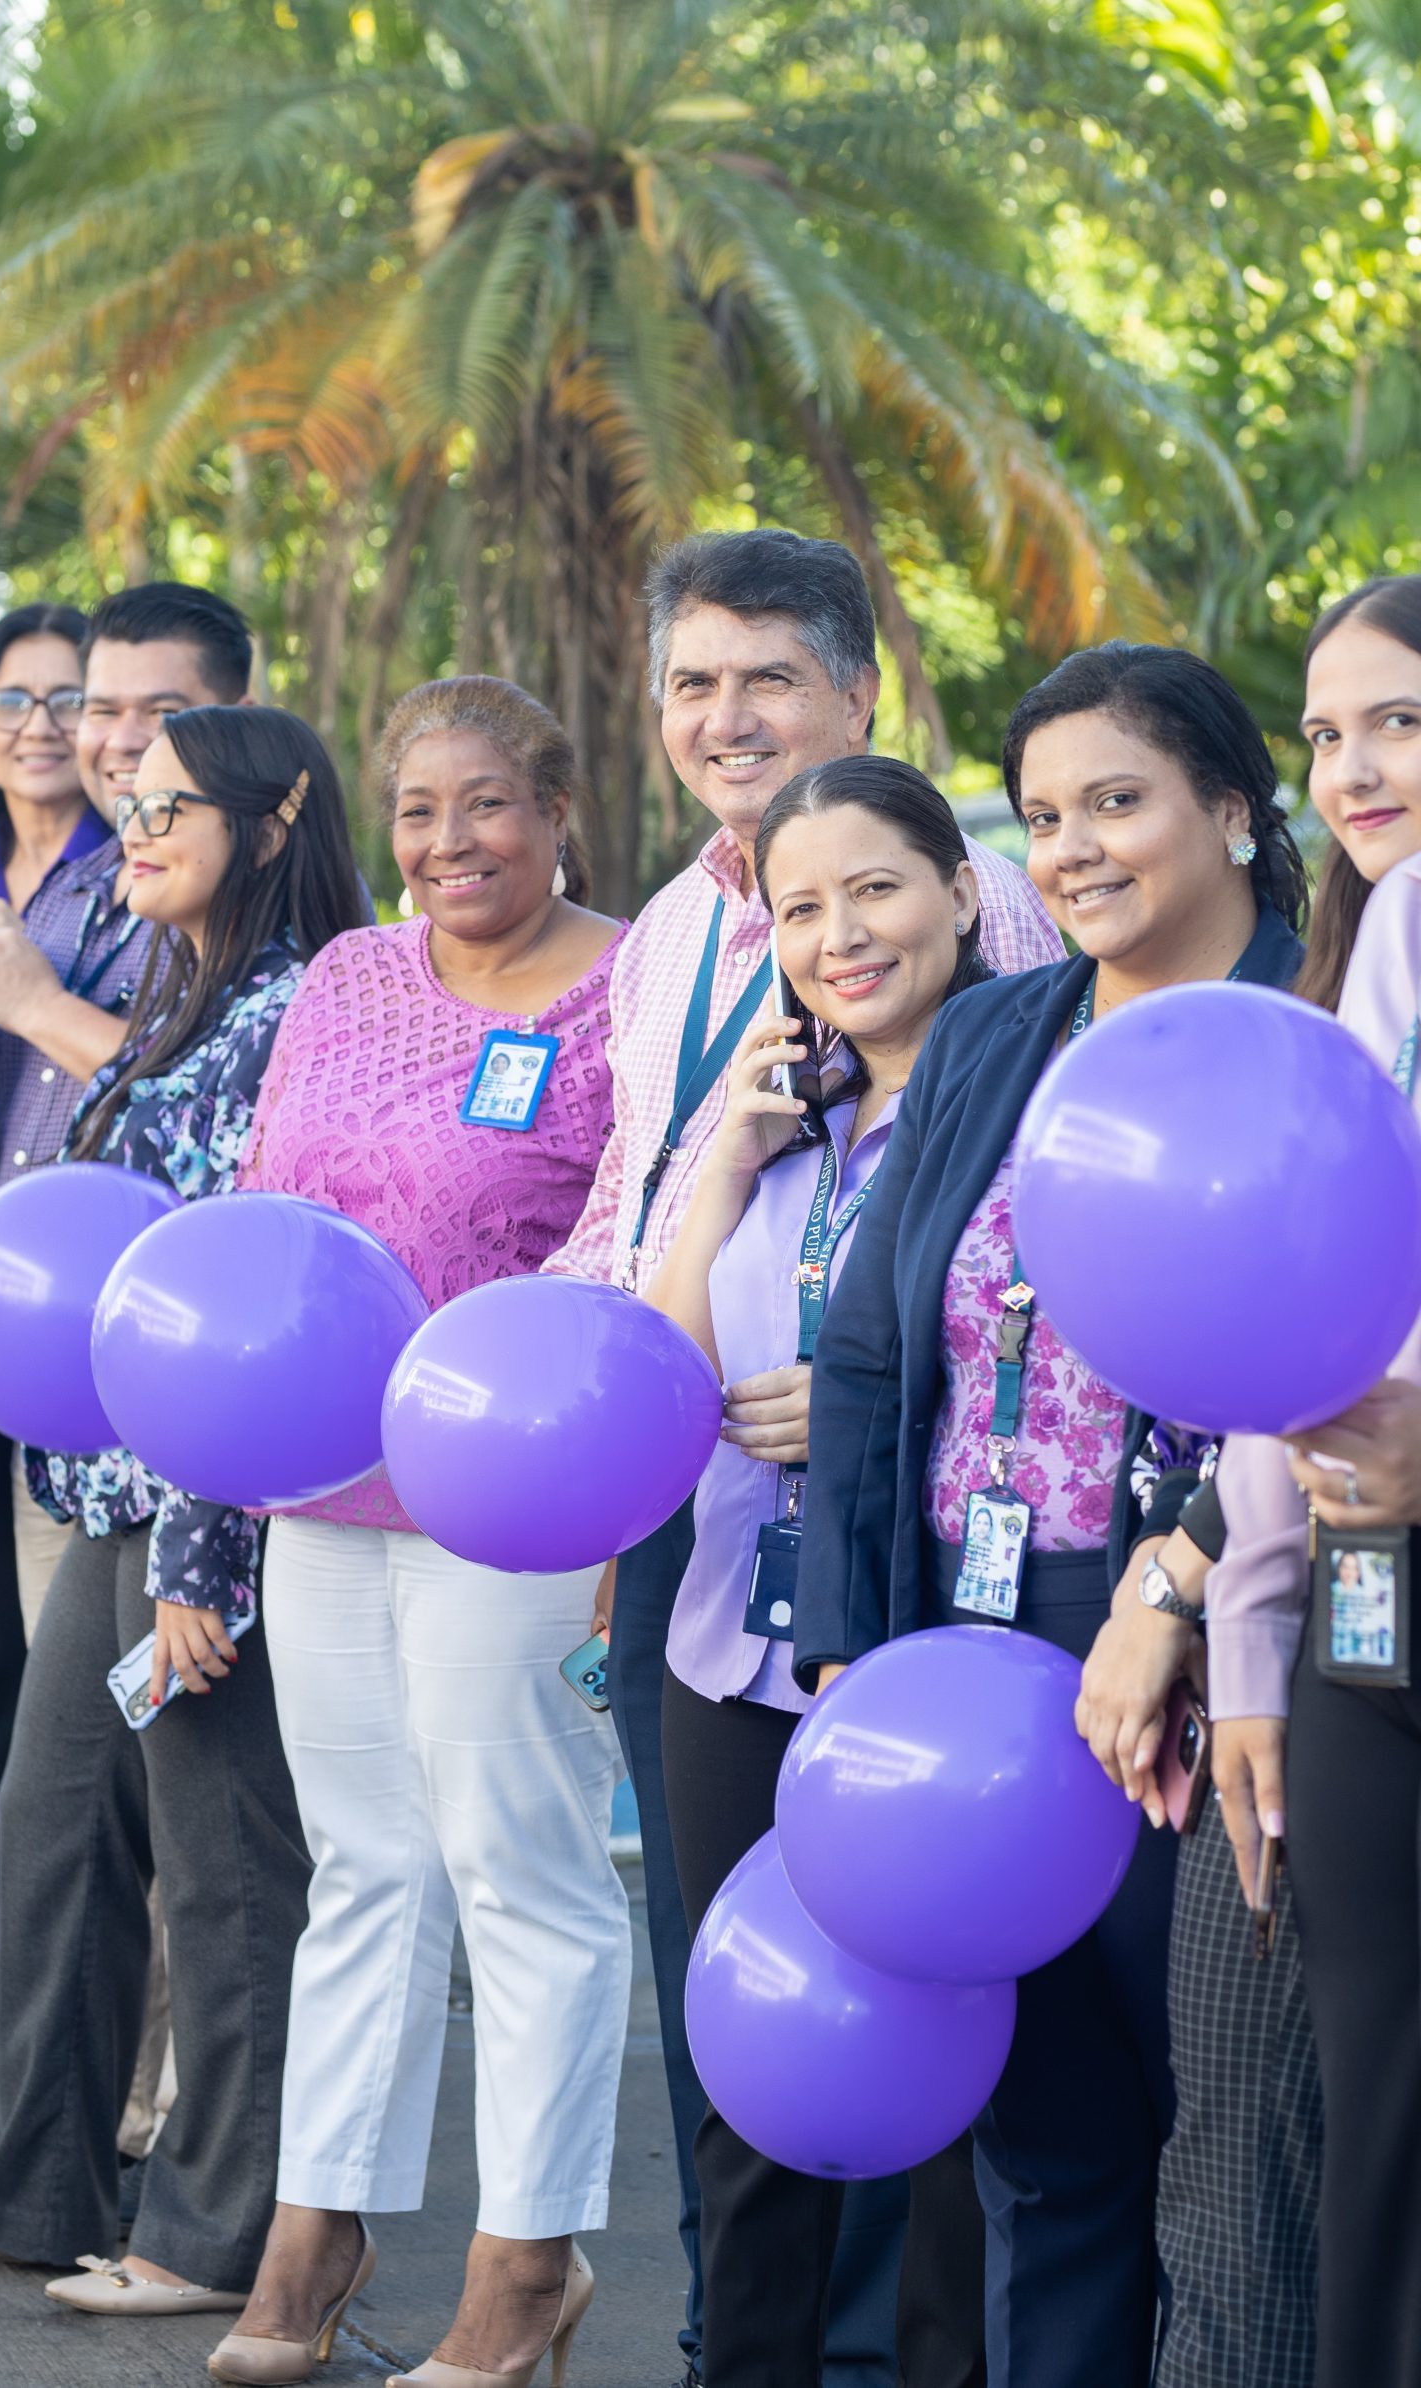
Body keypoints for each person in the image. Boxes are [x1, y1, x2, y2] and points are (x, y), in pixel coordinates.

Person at [546, 527, 1060, 2384]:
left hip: (924, 1593)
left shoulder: (1006, 966)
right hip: (708, 1566)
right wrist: (722, 1187)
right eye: (694, 680)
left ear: (860, 687)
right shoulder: (691, 931)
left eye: (769, 676)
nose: (725, 713)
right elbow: (635, 1231)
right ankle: (734, 2347)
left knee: (920, 2021)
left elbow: (1021, 1295)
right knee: (732, 2014)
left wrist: (857, 1394)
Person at [797, 644, 1308, 2388]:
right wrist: (862, 1647)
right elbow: (872, 1345)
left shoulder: (1316, 1027)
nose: (1077, 847)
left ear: (1230, 809)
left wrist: (1173, 1581)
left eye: (1120, 800)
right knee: (1044, 2145)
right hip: (974, 1639)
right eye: (1045, 817)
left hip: (1202, 1633)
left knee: (1227, 2149)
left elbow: (1305, 1355)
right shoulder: (1003, 1029)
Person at [0, 703, 370, 2323]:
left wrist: (208, 1555)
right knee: (55, 1819)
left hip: (216, 1500)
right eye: (124, 805)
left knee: (224, 1869)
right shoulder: (169, 990)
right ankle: (34, 2183)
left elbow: (239, 1281)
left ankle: (218, 2229)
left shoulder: (296, 1006)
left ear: (274, 819)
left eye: (170, 808)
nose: (132, 830)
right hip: (109, 1481)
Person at [210, 678, 625, 2388]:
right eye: (419, 807)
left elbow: (641, 1225)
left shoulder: (632, 980)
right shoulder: (348, 973)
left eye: (489, 804)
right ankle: (324, 2214)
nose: (451, 840)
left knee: (515, 1864)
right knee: (363, 1862)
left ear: (559, 805)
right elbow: (265, 1208)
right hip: (325, 1479)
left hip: (518, 1479)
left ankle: (530, 2255)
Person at [643, 757, 994, 2388]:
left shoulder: (1013, 1108)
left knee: (946, 2091)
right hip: (736, 1648)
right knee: (747, 2062)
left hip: (932, 1657)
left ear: (962, 893)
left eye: (878, 887)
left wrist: (859, 1409)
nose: (842, 932)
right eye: (801, 906)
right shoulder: (789, 1121)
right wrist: (729, 1154)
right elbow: (652, 1378)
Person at [1183, 576, 1421, 2388]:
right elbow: (1289, 1352)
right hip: (1356, 1615)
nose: (1353, 767)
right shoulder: (1351, 968)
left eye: (1399, 719)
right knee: (1374, 2126)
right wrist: (1250, 1652)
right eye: (1328, 731)